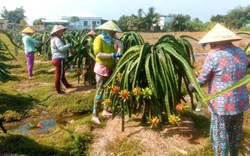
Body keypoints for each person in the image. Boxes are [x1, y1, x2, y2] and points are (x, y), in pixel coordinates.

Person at [189, 23, 250, 156]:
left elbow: (203, 78)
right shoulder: (241, 53)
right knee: (235, 134)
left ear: (215, 42)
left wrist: (192, 85)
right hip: (240, 102)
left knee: (220, 136)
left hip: (222, 106)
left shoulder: (214, 55)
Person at [91, 20, 123, 124]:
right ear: (107, 31)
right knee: (99, 91)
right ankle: (94, 115)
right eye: (113, 31)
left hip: (111, 68)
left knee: (108, 90)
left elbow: (118, 55)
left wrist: (119, 48)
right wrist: (112, 55)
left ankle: (105, 110)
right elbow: (98, 54)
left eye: (115, 32)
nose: (114, 33)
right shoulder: (99, 39)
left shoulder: (111, 41)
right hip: (101, 68)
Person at [50, 25, 72, 94]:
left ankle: (67, 85)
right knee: (59, 75)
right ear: (57, 32)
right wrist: (68, 45)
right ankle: (59, 90)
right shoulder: (57, 39)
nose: (62, 32)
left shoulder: (54, 38)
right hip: (59, 59)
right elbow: (61, 48)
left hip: (56, 58)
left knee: (61, 74)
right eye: (61, 31)